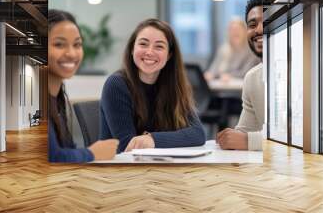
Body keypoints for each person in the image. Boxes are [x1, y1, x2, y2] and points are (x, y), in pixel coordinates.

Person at [100, 18, 206, 153]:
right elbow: (127, 146)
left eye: (159, 46)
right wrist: (167, 139)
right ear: (132, 49)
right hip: (118, 169)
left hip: (159, 166)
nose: (149, 52)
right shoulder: (116, 84)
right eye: (143, 44)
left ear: (169, 55)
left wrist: (152, 139)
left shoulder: (174, 85)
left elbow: (198, 134)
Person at [48, 9, 118, 162]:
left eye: (77, 44)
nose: (72, 53)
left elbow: (67, 148)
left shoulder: (58, 97)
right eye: (59, 44)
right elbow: (52, 157)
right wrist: (92, 153)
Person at [216, 0, 264, 151]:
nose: (259, 29)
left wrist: (247, 141)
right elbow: (244, 132)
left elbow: (302, 138)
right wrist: (232, 138)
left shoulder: (306, 71)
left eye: (266, 21)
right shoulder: (252, 78)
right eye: (252, 24)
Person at [205, 18, 260, 82]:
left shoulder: (251, 50)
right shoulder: (224, 49)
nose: (235, 32)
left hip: (240, 87)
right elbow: (214, 68)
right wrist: (210, 74)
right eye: (232, 30)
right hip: (222, 86)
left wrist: (230, 75)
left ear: (245, 31)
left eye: (237, 29)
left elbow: (246, 72)